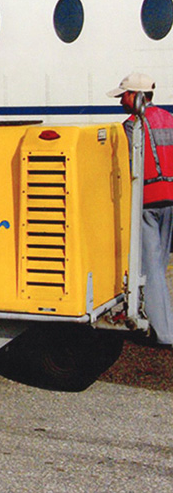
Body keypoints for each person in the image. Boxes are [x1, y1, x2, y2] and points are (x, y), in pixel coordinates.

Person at [109, 72, 173, 348]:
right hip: (170, 200)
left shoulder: (131, 126)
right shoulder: (169, 119)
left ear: (136, 96)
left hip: (146, 202)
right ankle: (160, 318)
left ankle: (165, 333)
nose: (121, 101)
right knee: (159, 264)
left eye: (123, 95)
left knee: (152, 268)